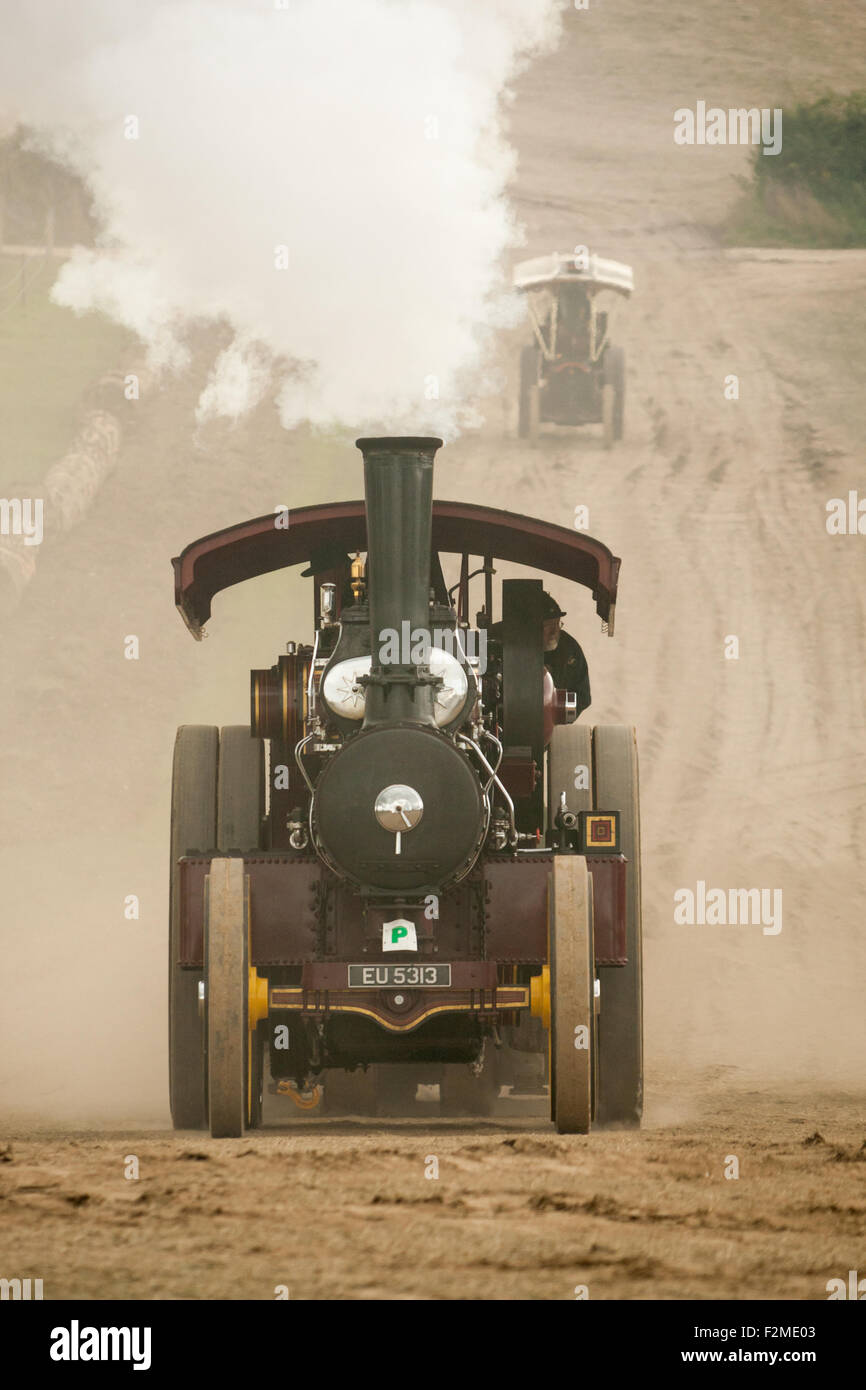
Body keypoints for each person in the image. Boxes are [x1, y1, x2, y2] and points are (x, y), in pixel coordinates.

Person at [542, 592, 591, 715]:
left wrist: (551, 706)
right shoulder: (493, 637)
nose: (554, 631)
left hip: (550, 724)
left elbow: (583, 698)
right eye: (548, 625)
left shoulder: (569, 649)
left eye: (557, 624)